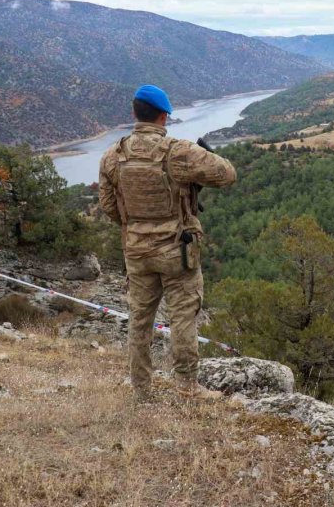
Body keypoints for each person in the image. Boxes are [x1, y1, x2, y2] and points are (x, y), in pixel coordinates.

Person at [99, 85, 237, 403]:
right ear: (163, 116)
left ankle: (141, 389)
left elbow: (108, 206)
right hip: (177, 250)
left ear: (135, 113)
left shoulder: (112, 155)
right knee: (183, 316)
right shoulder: (178, 151)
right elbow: (227, 175)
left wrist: (135, 227)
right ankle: (187, 386)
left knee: (139, 318)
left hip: (136, 250)